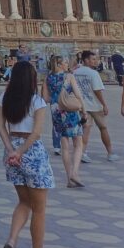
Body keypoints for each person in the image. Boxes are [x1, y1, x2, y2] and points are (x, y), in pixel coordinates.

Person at [0, 61, 58, 248]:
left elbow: (0, 125)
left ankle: (12, 240)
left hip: (11, 150)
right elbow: (37, 132)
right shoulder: (37, 101)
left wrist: (11, 149)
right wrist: (21, 151)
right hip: (31, 153)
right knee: (39, 209)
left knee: (24, 201)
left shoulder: (5, 97)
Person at [42, 54, 83, 188]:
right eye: (65, 62)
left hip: (56, 111)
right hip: (70, 110)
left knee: (64, 146)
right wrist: (84, 109)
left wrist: (56, 97)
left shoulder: (48, 78)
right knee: (78, 143)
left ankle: (69, 178)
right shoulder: (69, 76)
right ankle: (75, 173)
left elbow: (45, 98)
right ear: (59, 64)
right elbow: (78, 94)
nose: (67, 64)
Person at [73, 50, 118, 162]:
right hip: (94, 104)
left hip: (82, 104)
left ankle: (82, 153)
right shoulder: (93, 73)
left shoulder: (75, 72)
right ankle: (110, 152)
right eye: (93, 59)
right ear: (86, 60)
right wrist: (104, 104)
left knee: (85, 129)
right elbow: (97, 90)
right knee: (103, 127)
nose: (95, 61)